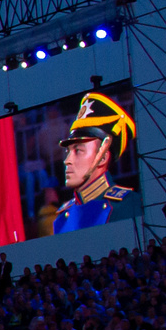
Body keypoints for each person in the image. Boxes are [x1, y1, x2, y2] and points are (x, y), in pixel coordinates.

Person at [53, 91, 135, 233]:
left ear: (102, 157)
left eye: (78, 150)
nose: (67, 161)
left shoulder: (127, 205)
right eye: (68, 151)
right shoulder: (62, 218)